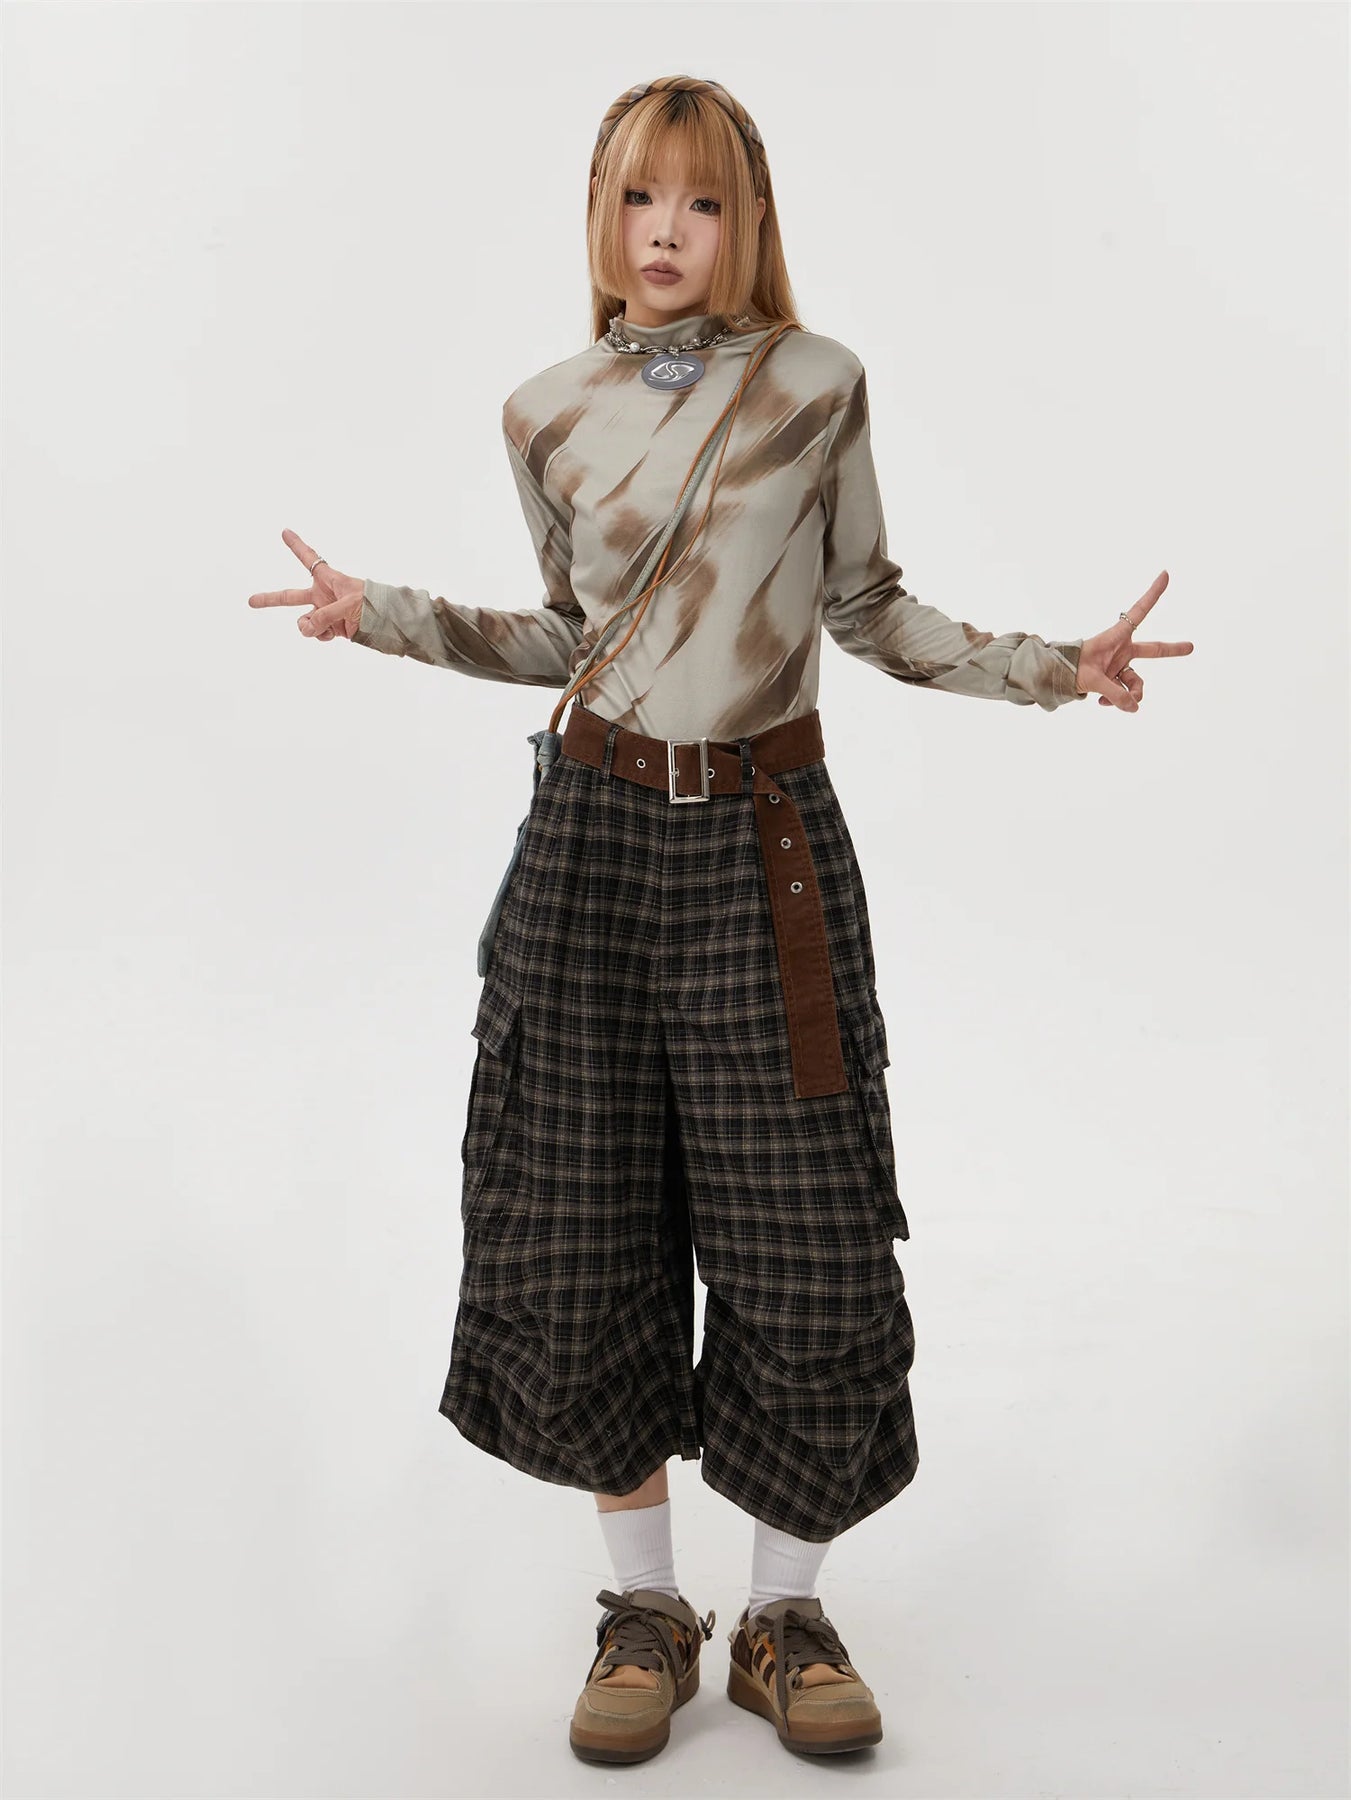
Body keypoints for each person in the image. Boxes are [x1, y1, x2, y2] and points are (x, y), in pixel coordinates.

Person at [249, 74, 1193, 1767]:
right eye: (636, 198)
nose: (666, 231)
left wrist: (1059, 668)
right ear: (598, 220)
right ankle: (644, 1611)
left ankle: (783, 1619)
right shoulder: (544, 411)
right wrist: (379, 613)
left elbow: (870, 608)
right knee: (579, 1223)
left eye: (699, 199)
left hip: (767, 844)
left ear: (748, 219)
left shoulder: (816, 386)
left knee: (805, 1237)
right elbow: (571, 636)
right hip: (592, 844)